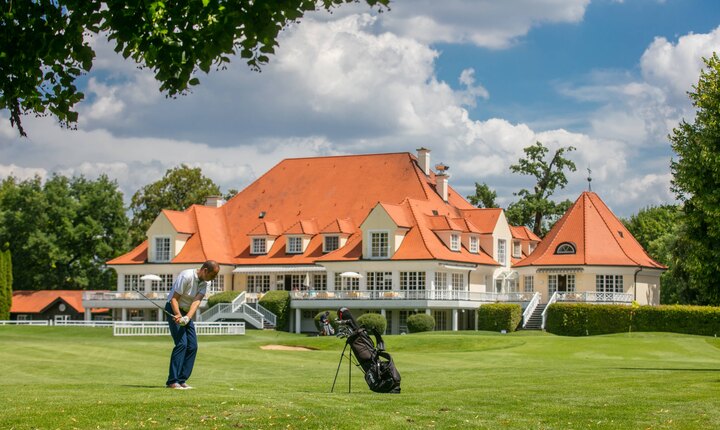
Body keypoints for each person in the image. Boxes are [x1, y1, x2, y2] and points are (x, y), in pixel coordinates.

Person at [165, 260, 219, 389]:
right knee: (182, 344)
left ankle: (182, 380)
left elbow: (196, 301)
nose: (213, 279)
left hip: (186, 312)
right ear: (205, 270)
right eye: (212, 275)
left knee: (193, 346)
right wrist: (178, 315)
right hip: (174, 308)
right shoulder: (186, 276)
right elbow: (174, 298)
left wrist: (188, 317)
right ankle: (172, 381)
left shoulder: (206, 282)